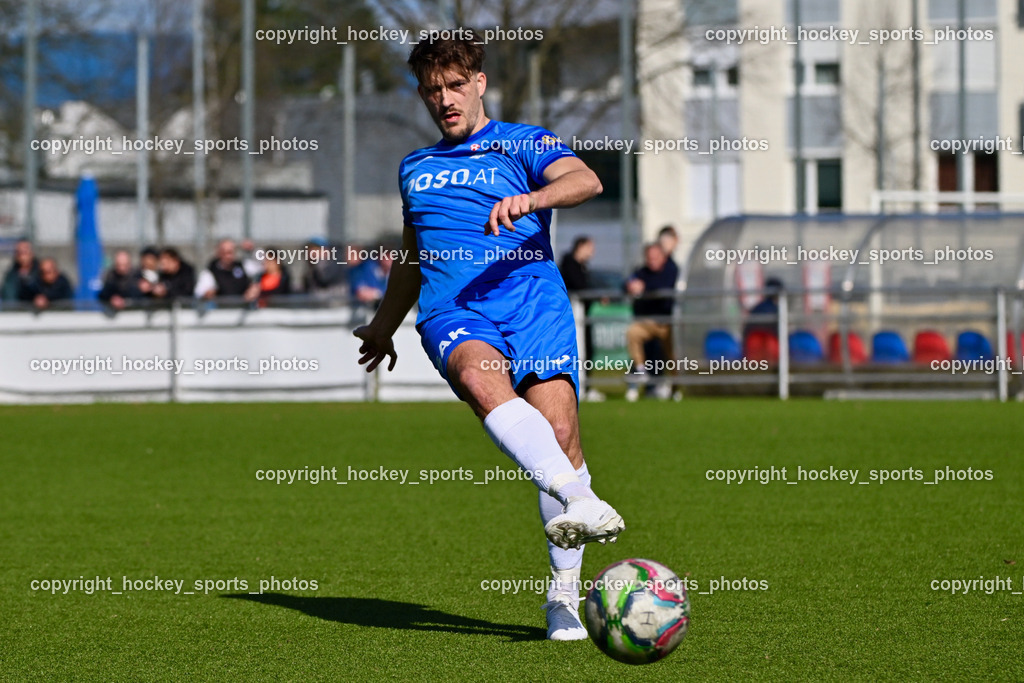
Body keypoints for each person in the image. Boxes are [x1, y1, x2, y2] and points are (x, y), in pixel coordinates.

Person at [353, 33, 624, 642]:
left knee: (559, 437)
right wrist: (384, 323)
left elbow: (585, 182)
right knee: (480, 379)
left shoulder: (524, 142)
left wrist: (534, 198)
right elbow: (413, 254)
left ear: (478, 83)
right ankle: (577, 497)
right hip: (454, 309)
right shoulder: (415, 168)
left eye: (454, 85)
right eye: (431, 90)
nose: (444, 100)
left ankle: (562, 601)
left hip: (535, 304)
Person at [624, 243, 679, 402]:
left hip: (668, 323)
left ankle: (676, 387)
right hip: (648, 323)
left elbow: (664, 288)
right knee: (632, 333)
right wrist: (630, 286)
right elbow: (628, 283)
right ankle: (641, 370)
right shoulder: (641, 271)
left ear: (663, 257)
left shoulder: (671, 270)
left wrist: (644, 288)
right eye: (649, 258)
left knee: (673, 355)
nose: (652, 261)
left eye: (655, 257)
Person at [195, 239, 260, 302]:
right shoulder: (210, 272)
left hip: (242, 308)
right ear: (218, 253)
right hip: (220, 310)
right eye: (224, 253)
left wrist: (253, 250)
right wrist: (208, 294)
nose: (228, 256)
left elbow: (264, 265)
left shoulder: (244, 266)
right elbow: (199, 293)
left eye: (230, 252)